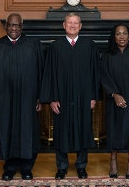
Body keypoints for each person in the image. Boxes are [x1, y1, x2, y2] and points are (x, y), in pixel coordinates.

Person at [0, 13, 43, 181]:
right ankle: (9, 167)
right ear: (5, 26)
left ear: (22, 27)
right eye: (10, 25)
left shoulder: (33, 45)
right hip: (4, 98)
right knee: (6, 130)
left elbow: (42, 73)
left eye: (17, 25)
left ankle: (26, 168)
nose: (14, 28)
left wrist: (39, 97)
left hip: (28, 99)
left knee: (27, 131)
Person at [40, 12, 100, 179]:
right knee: (61, 131)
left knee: (83, 129)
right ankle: (62, 166)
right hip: (62, 97)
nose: (73, 25)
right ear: (64, 25)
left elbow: (96, 72)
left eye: (76, 23)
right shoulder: (55, 47)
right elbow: (49, 74)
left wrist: (93, 96)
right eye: (70, 23)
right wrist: (52, 98)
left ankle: (81, 166)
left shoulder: (89, 45)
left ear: (80, 26)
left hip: (84, 96)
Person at [100, 23, 129, 179]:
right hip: (113, 100)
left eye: (124, 33)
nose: (121, 36)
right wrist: (114, 94)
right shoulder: (107, 55)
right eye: (118, 34)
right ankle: (113, 161)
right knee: (113, 129)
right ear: (114, 37)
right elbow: (104, 76)